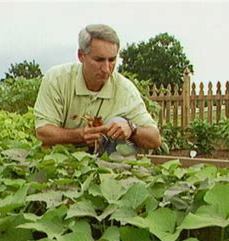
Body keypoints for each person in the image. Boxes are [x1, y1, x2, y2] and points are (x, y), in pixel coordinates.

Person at [34, 24, 161, 155]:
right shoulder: (57, 79)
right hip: (61, 161)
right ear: (81, 55)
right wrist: (80, 135)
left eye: (112, 60)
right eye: (99, 60)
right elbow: (43, 132)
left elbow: (155, 138)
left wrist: (132, 129)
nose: (106, 69)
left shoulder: (125, 90)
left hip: (107, 166)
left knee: (119, 122)